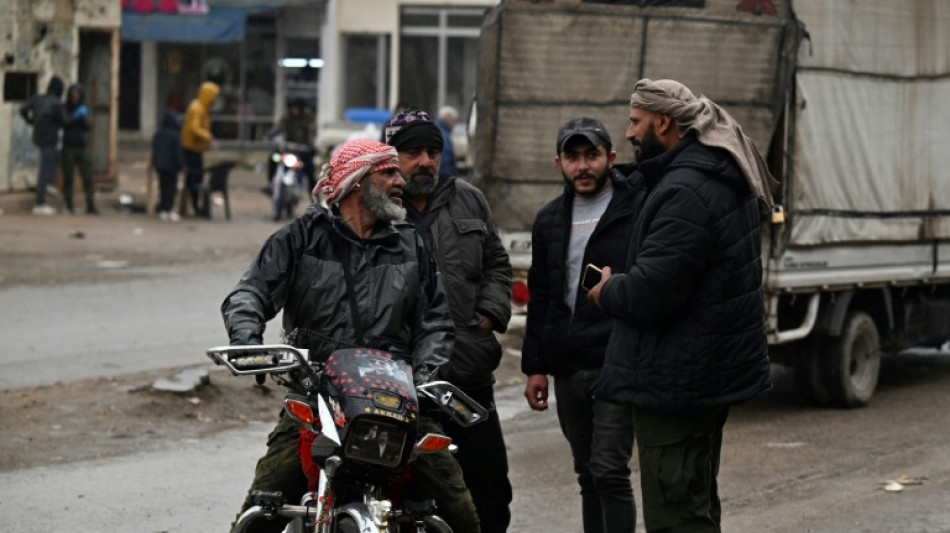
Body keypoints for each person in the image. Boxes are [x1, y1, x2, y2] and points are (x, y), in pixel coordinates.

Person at [221, 138, 479, 533]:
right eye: (388, 173)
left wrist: (423, 376)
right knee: (259, 512)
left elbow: (436, 322)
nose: (400, 182)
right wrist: (247, 340)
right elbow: (250, 293)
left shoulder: (410, 244)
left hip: (396, 403)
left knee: (460, 515)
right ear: (357, 181)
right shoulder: (301, 238)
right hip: (317, 400)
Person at [588, 78, 775, 533]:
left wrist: (607, 290)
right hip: (698, 378)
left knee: (677, 514)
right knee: (695, 503)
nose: (628, 133)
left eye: (635, 122)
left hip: (678, 384)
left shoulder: (686, 190)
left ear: (663, 123)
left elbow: (651, 294)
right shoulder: (707, 174)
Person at [384, 107, 513, 533]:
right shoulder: (378, 206)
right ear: (391, 156)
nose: (425, 161)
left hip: (467, 375)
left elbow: (496, 263)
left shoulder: (469, 199)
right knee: (409, 495)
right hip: (402, 384)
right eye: (413, 153)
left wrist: (488, 316)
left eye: (433, 152)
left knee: (489, 489)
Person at [521, 117, 642, 533]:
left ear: (611, 157)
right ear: (559, 163)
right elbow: (541, 295)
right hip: (567, 364)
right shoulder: (549, 220)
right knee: (588, 474)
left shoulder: (634, 210)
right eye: (573, 157)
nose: (583, 166)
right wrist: (536, 366)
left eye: (592, 155)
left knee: (609, 470)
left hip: (615, 359)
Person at [19, 76, 66, 215]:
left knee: (54, 158)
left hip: (38, 137)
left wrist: (31, 121)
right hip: (49, 138)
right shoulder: (56, 103)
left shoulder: (37, 98)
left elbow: (22, 110)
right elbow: (63, 121)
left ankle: (47, 185)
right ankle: (39, 203)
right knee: (45, 170)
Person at [181, 81, 219, 217]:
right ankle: (193, 206)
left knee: (196, 178)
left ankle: (193, 206)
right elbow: (194, 127)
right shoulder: (197, 108)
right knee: (194, 179)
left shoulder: (201, 108)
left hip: (196, 150)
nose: (215, 100)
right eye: (213, 96)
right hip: (191, 150)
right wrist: (209, 138)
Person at [60, 83, 99, 215]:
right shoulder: (65, 108)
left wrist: (84, 116)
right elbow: (64, 122)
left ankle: (90, 204)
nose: (74, 98)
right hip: (69, 146)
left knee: (88, 177)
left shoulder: (84, 108)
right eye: (72, 96)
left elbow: (89, 125)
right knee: (68, 178)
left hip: (82, 146)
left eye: (77, 96)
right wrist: (75, 116)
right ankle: (69, 205)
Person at [268, 98, 316, 191]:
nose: (294, 110)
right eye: (293, 108)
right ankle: (270, 183)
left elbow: (312, 131)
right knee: (274, 157)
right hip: (288, 148)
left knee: (309, 168)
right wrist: (272, 134)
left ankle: (312, 192)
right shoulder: (287, 117)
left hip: (303, 149)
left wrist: (311, 143)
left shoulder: (308, 118)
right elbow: (278, 127)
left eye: (296, 108)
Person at [151, 110, 186, 221]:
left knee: (163, 187)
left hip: (160, 166)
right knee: (171, 189)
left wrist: (155, 163)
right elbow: (178, 152)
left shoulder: (158, 134)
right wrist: (182, 166)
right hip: (172, 167)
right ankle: (168, 209)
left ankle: (163, 209)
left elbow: (155, 150)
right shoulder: (175, 135)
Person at [434, 105, 458, 178]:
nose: (454, 124)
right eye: (454, 120)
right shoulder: (443, 135)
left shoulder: (436, 128)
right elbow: (445, 159)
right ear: (449, 120)